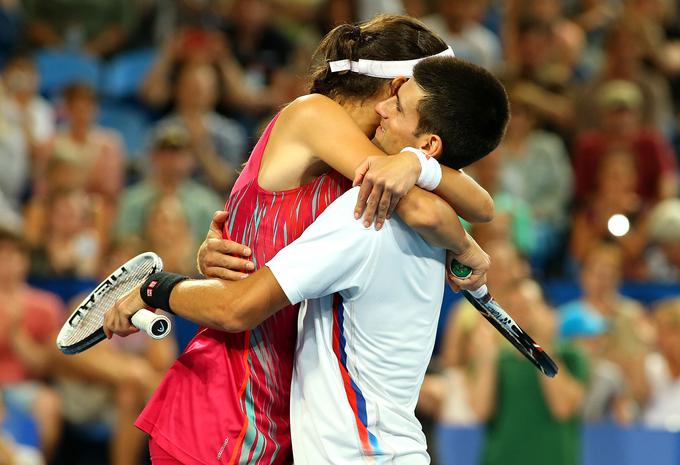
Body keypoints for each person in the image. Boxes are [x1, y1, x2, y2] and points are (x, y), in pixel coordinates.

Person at [130, 16, 507, 465]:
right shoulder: (315, 115)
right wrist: (466, 248)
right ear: (398, 86)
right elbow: (431, 211)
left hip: (290, 417)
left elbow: (482, 204)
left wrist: (418, 166)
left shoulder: (386, 159)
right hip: (229, 407)